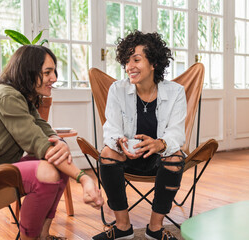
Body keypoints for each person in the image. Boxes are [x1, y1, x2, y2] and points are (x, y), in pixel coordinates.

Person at [0, 45, 104, 240]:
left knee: (57, 164)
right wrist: (84, 179)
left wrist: (60, 142)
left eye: (54, 72)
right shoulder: (6, 96)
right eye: (47, 72)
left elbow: (44, 130)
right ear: (28, 72)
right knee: (47, 171)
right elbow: (37, 143)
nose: (54, 78)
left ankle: (43, 235)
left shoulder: (22, 98)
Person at [92, 30, 187, 240]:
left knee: (175, 156)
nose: (129, 67)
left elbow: (177, 132)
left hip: (159, 158)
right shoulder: (117, 89)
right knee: (107, 152)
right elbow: (111, 128)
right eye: (127, 61)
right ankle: (122, 227)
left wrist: (160, 144)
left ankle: (155, 228)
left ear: (153, 63)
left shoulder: (176, 92)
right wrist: (120, 142)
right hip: (127, 156)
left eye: (136, 59)